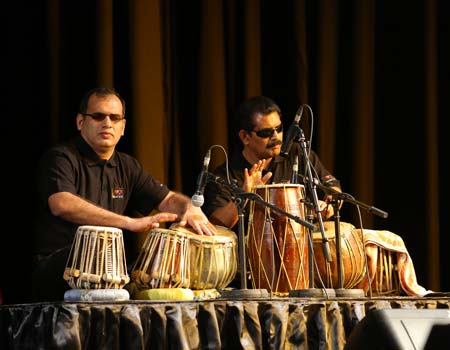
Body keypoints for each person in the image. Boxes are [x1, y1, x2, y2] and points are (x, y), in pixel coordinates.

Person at [203, 95, 431, 297]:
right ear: (245, 137)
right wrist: (245, 195)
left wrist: (329, 206)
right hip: (250, 275)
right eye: (265, 133)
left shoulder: (299, 157)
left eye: (279, 129)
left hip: (306, 269)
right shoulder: (225, 174)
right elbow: (215, 225)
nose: (276, 136)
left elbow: (334, 190)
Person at [31, 87, 217, 302]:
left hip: (108, 269)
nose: (107, 123)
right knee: (104, 268)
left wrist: (189, 208)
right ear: (80, 122)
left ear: (123, 126)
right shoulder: (61, 157)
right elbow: (62, 203)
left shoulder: (127, 166)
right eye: (98, 116)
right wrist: (129, 222)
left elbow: (167, 199)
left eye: (115, 117)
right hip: (58, 265)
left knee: (156, 275)